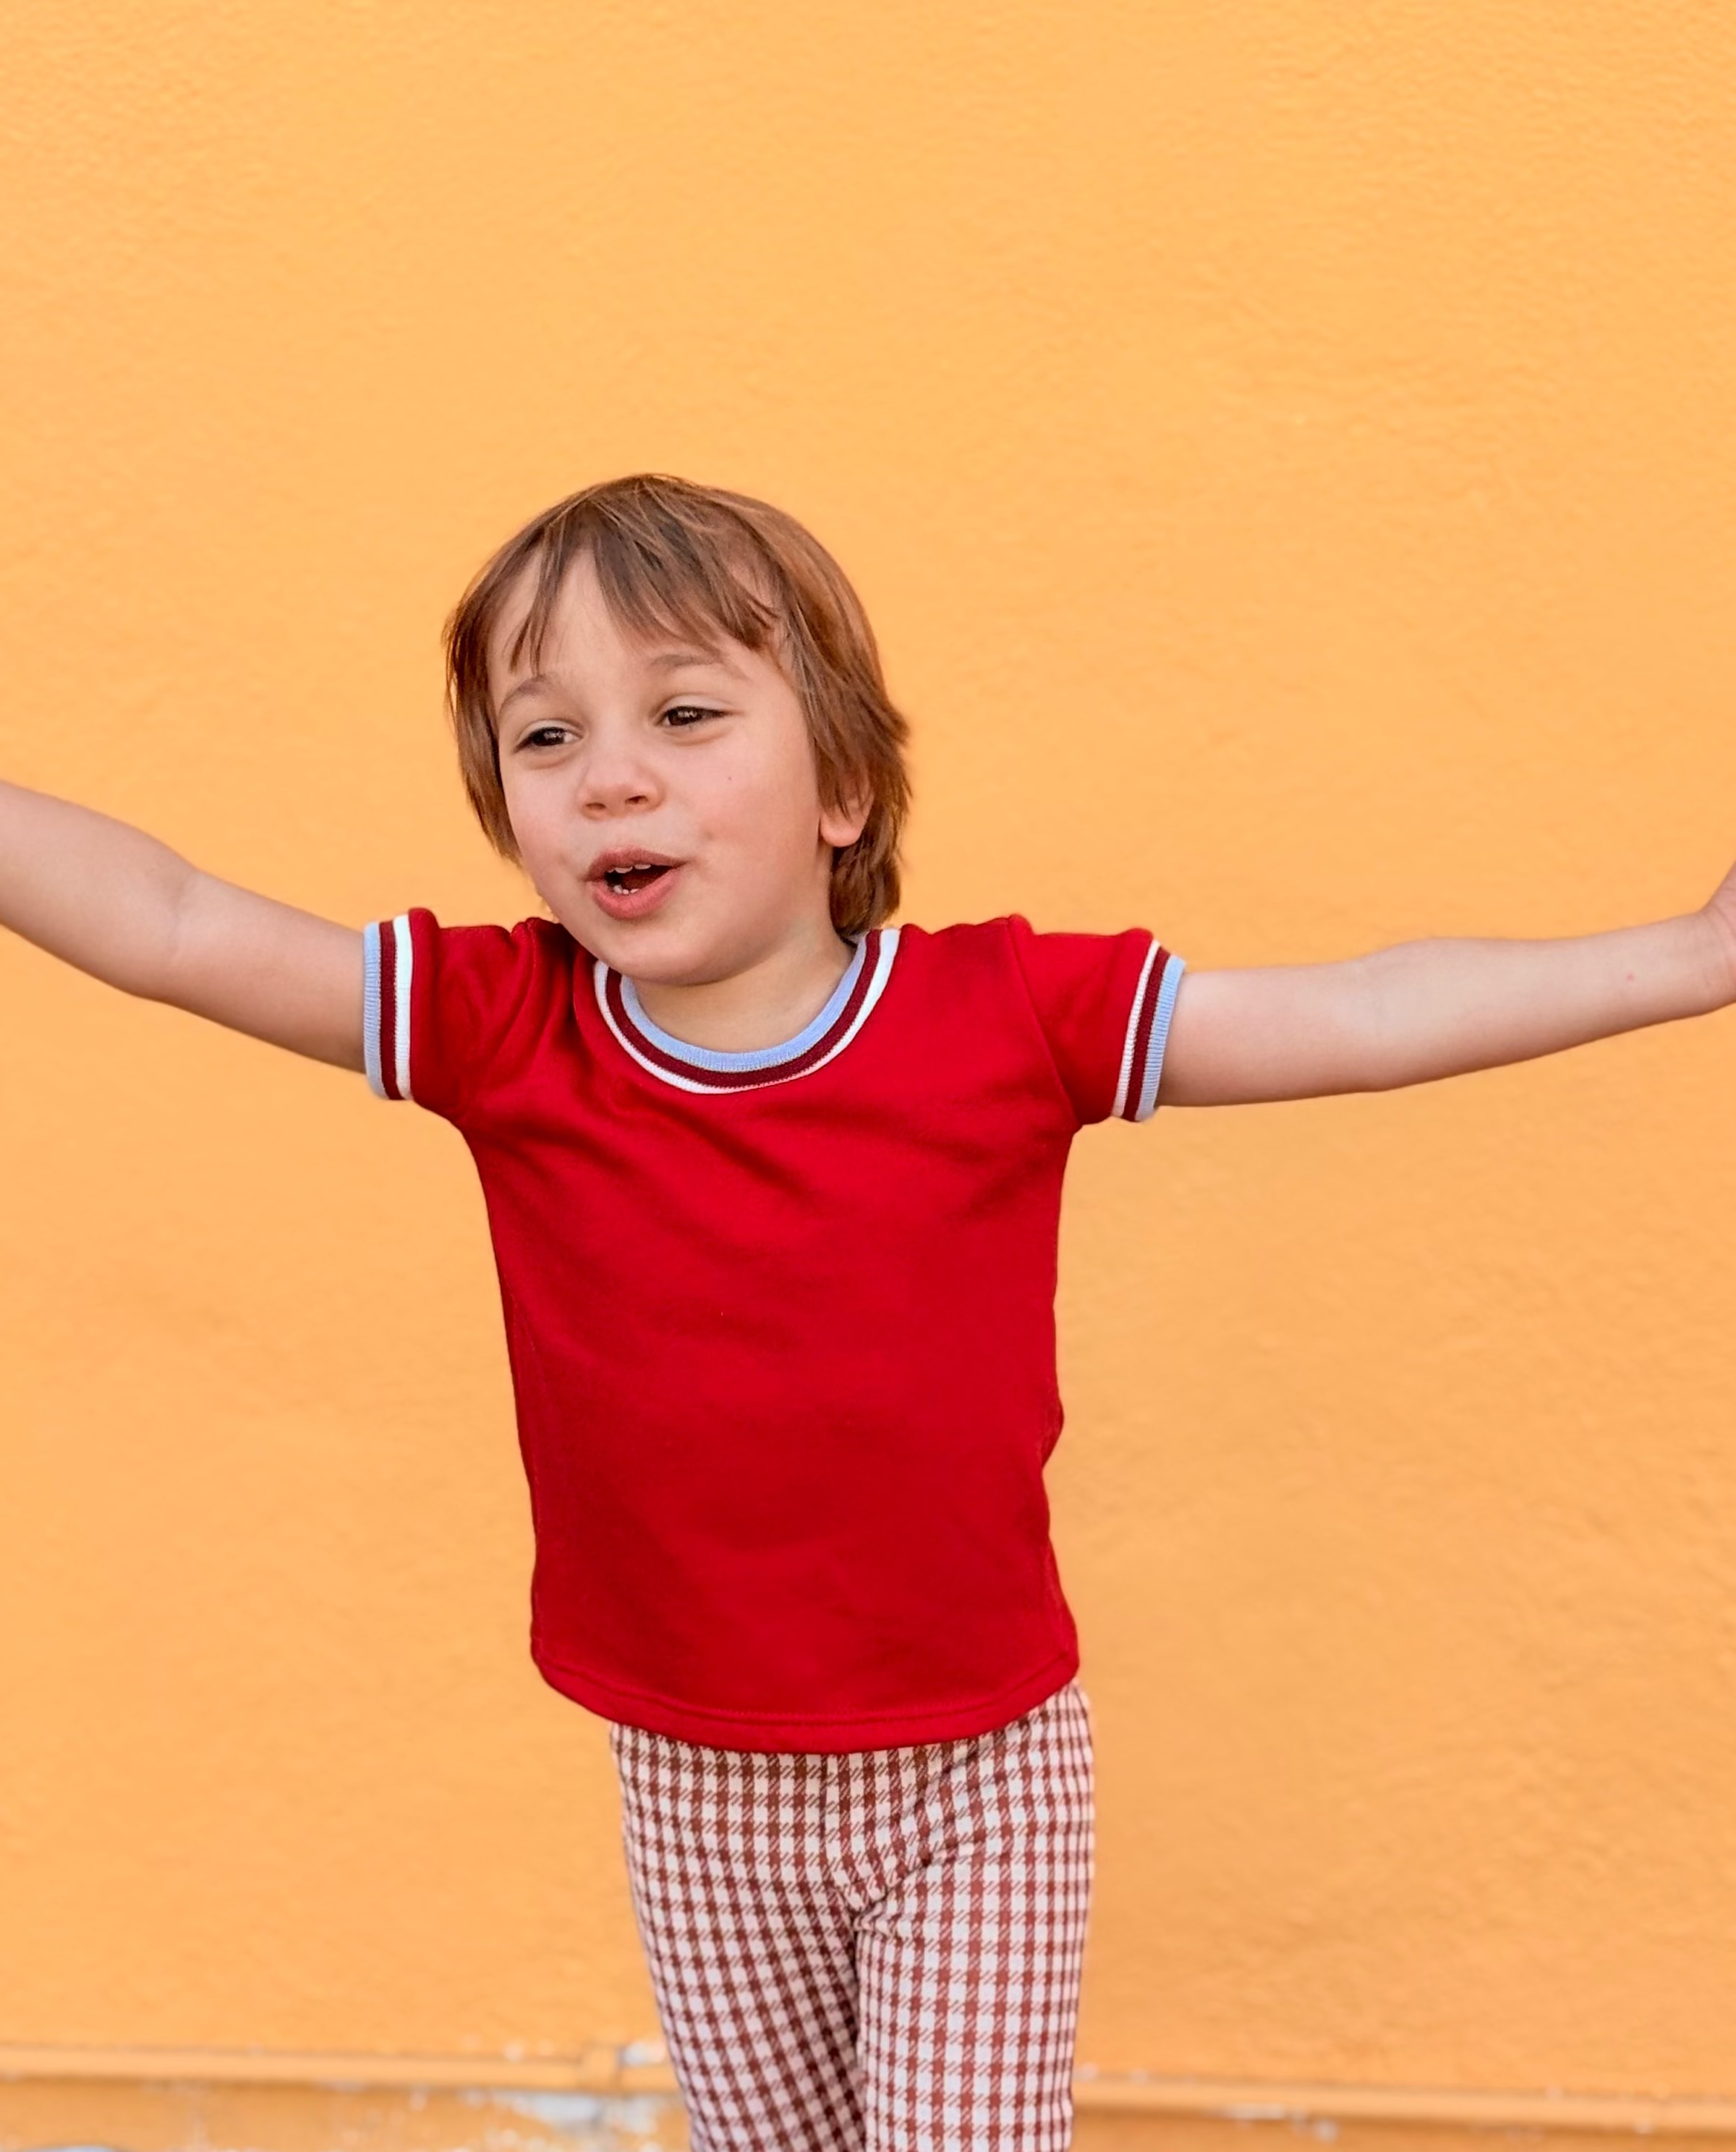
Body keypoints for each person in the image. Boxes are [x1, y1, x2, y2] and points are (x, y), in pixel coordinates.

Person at [2, 472, 1731, 2152]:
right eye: (547, 738)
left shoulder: (1007, 1015)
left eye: (683, 716)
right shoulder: (504, 1029)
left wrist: (1689, 956)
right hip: (690, 1779)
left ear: (843, 785)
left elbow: (1360, 1014)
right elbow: (170, 921)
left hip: (974, 1776)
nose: (610, 779)